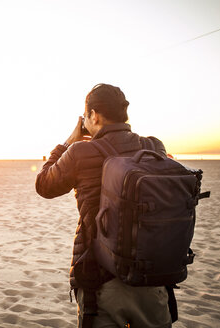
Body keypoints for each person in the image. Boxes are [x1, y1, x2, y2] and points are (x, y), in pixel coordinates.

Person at [35, 83, 173, 328]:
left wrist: (68, 142)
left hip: (102, 281)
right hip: (153, 279)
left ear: (94, 115)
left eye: (86, 115)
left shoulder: (79, 152)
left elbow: (44, 185)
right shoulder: (154, 147)